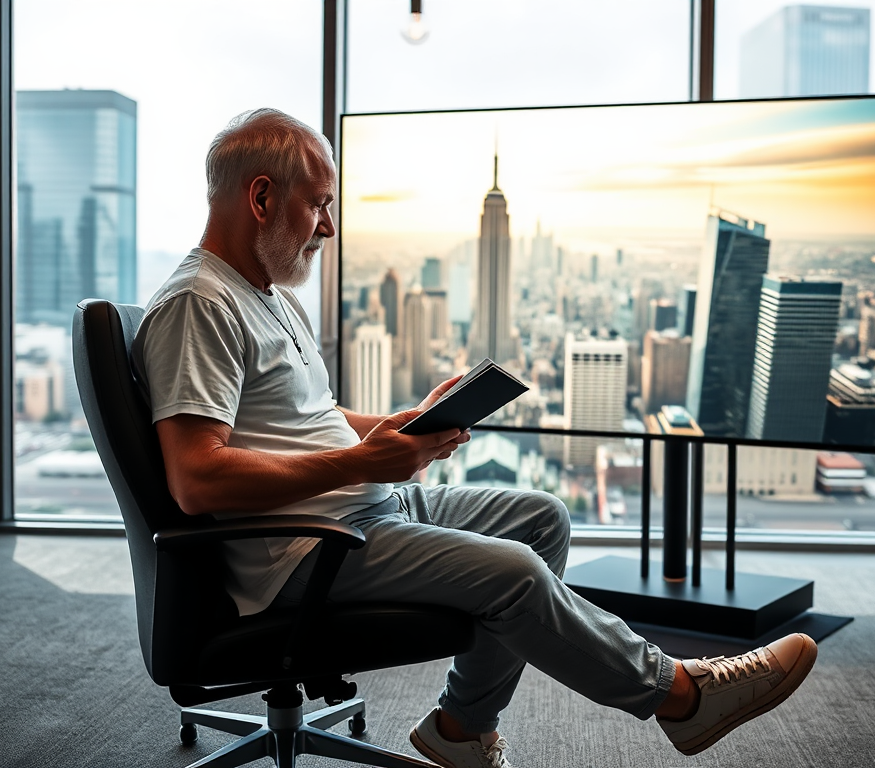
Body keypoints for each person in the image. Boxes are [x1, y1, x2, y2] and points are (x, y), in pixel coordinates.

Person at [132, 108, 818, 768]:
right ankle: (681, 695)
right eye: (318, 205)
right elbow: (198, 479)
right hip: (306, 552)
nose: (329, 228)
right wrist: (366, 460)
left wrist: (398, 425)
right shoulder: (201, 304)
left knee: (541, 518)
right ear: (260, 197)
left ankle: (463, 728)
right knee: (515, 574)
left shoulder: (267, 292)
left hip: (363, 510)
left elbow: (307, 422)